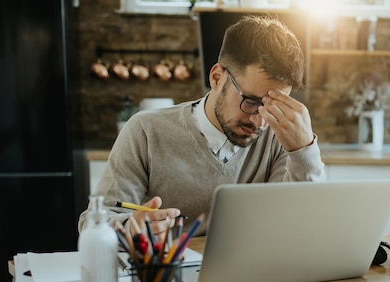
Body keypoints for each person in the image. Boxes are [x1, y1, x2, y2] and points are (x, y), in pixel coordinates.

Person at [78, 15, 325, 239]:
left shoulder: (281, 137)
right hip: (168, 276)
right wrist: (131, 227)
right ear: (217, 78)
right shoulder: (145, 131)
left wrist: (304, 151)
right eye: (251, 101)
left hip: (251, 279)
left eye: (273, 106)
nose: (259, 120)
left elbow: (300, 227)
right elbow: (92, 223)